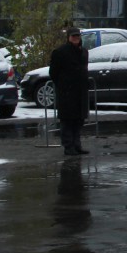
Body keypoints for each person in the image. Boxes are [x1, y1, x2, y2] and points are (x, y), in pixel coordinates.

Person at [49, 27, 90, 156]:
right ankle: (68, 146)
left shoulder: (84, 51)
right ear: (68, 37)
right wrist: (63, 85)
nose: (76, 38)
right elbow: (53, 72)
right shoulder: (60, 52)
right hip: (67, 92)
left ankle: (77, 145)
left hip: (81, 91)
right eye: (73, 36)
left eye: (77, 36)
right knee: (67, 120)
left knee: (79, 120)